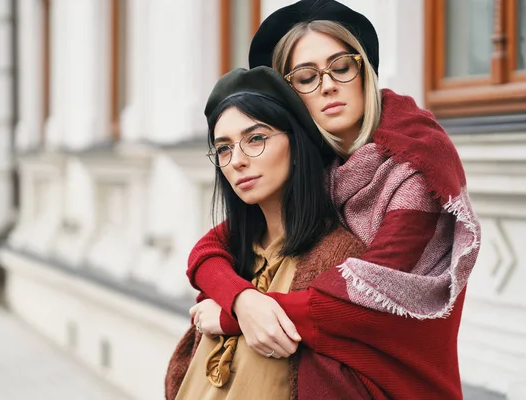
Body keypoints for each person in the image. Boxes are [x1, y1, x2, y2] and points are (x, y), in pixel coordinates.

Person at [183, 0, 481, 399]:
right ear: (289, 97)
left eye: (341, 67)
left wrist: (234, 314)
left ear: (364, 72)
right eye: (305, 77)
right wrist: (241, 298)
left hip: (400, 384)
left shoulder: (417, 167)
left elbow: (356, 303)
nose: (327, 85)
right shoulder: (317, 168)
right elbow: (212, 246)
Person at [165, 66, 366, 399]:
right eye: (224, 148)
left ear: (296, 142)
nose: (237, 161)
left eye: (256, 138)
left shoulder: (339, 258)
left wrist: (232, 317)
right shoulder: (234, 257)